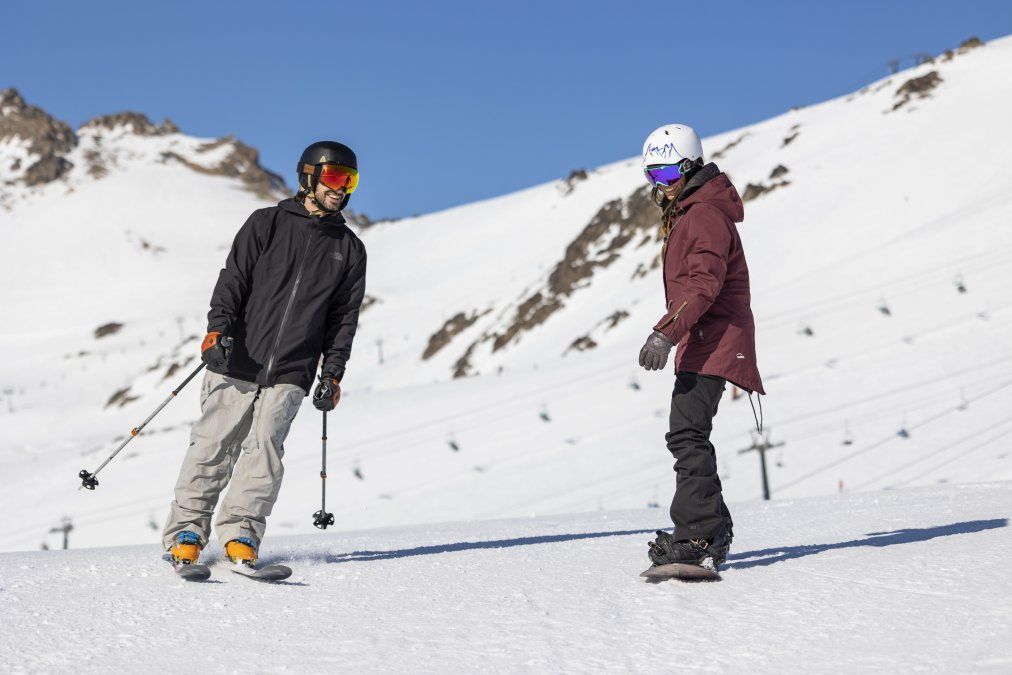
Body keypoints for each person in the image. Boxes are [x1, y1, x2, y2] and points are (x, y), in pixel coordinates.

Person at [163, 140, 367, 567]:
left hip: (294, 366)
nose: (341, 187)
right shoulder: (267, 223)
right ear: (308, 176)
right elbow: (233, 279)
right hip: (239, 356)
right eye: (333, 176)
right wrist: (217, 330)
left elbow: (343, 318)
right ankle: (187, 531)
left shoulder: (348, 249)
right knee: (212, 444)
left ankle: (242, 533)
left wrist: (332, 373)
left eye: (349, 180)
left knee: (265, 452)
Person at [636, 124, 764, 570]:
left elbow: (704, 283)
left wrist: (665, 331)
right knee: (688, 433)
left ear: (689, 166)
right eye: (652, 175)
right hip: (705, 338)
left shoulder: (704, 215)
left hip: (714, 338)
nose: (661, 185)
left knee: (687, 433)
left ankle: (698, 536)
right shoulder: (692, 211)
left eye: (669, 174)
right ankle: (712, 528)